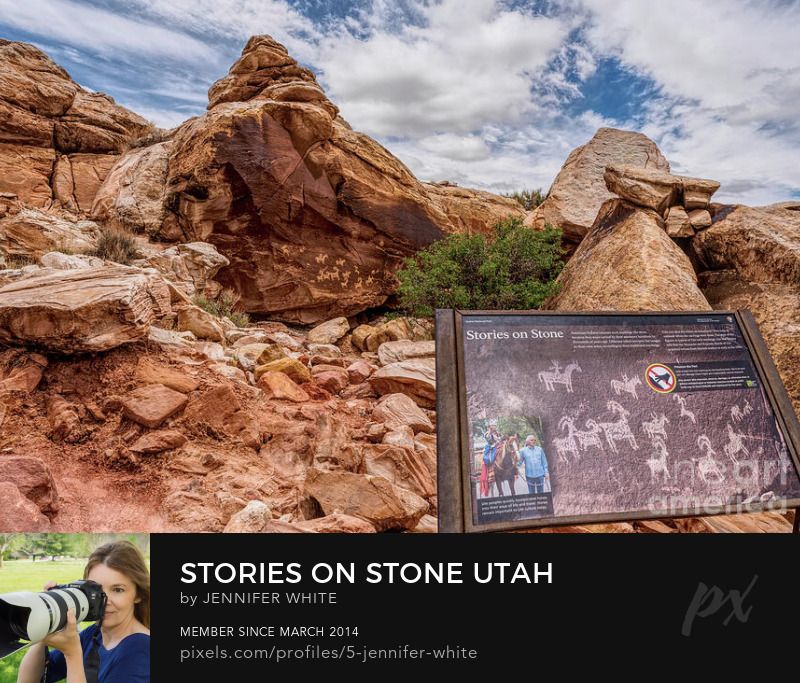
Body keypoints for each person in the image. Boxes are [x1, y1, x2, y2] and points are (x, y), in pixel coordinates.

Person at [17, 541, 150, 683]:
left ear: (138, 594)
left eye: (118, 590)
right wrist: (47, 623)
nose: (104, 601)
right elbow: (29, 680)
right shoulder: (94, 635)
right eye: (96, 590)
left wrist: (72, 654)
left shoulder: (141, 649)